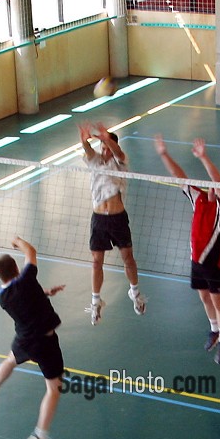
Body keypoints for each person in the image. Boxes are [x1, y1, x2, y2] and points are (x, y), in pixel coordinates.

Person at [0, 237, 66, 439]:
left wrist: (45, 292)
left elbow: (26, 295)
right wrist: (17, 241)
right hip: (44, 342)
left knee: (10, 360)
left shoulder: (2, 295)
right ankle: (40, 436)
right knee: (54, 389)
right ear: (17, 268)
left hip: (25, 338)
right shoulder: (26, 280)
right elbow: (31, 250)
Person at [152, 135, 220, 365]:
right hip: (197, 259)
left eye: (216, 186)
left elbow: (216, 179)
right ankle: (214, 329)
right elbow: (180, 177)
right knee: (203, 297)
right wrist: (164, 154)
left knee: (218, 301)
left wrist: (203, 157)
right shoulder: (198, 199)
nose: (211, 185)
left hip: (216, 261)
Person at [78, 120, 145, 324]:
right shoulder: (95, 160)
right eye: (103, 147)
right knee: (96, 262)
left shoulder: (121, 162)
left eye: (108, 147)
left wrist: (109, 139)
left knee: (128, 259)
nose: (105, 151)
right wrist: (84, 141)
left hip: (118, 219)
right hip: (98, 219)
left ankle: (135, 293)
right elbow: (88, 151)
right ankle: (96, 301)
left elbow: (119, 153)